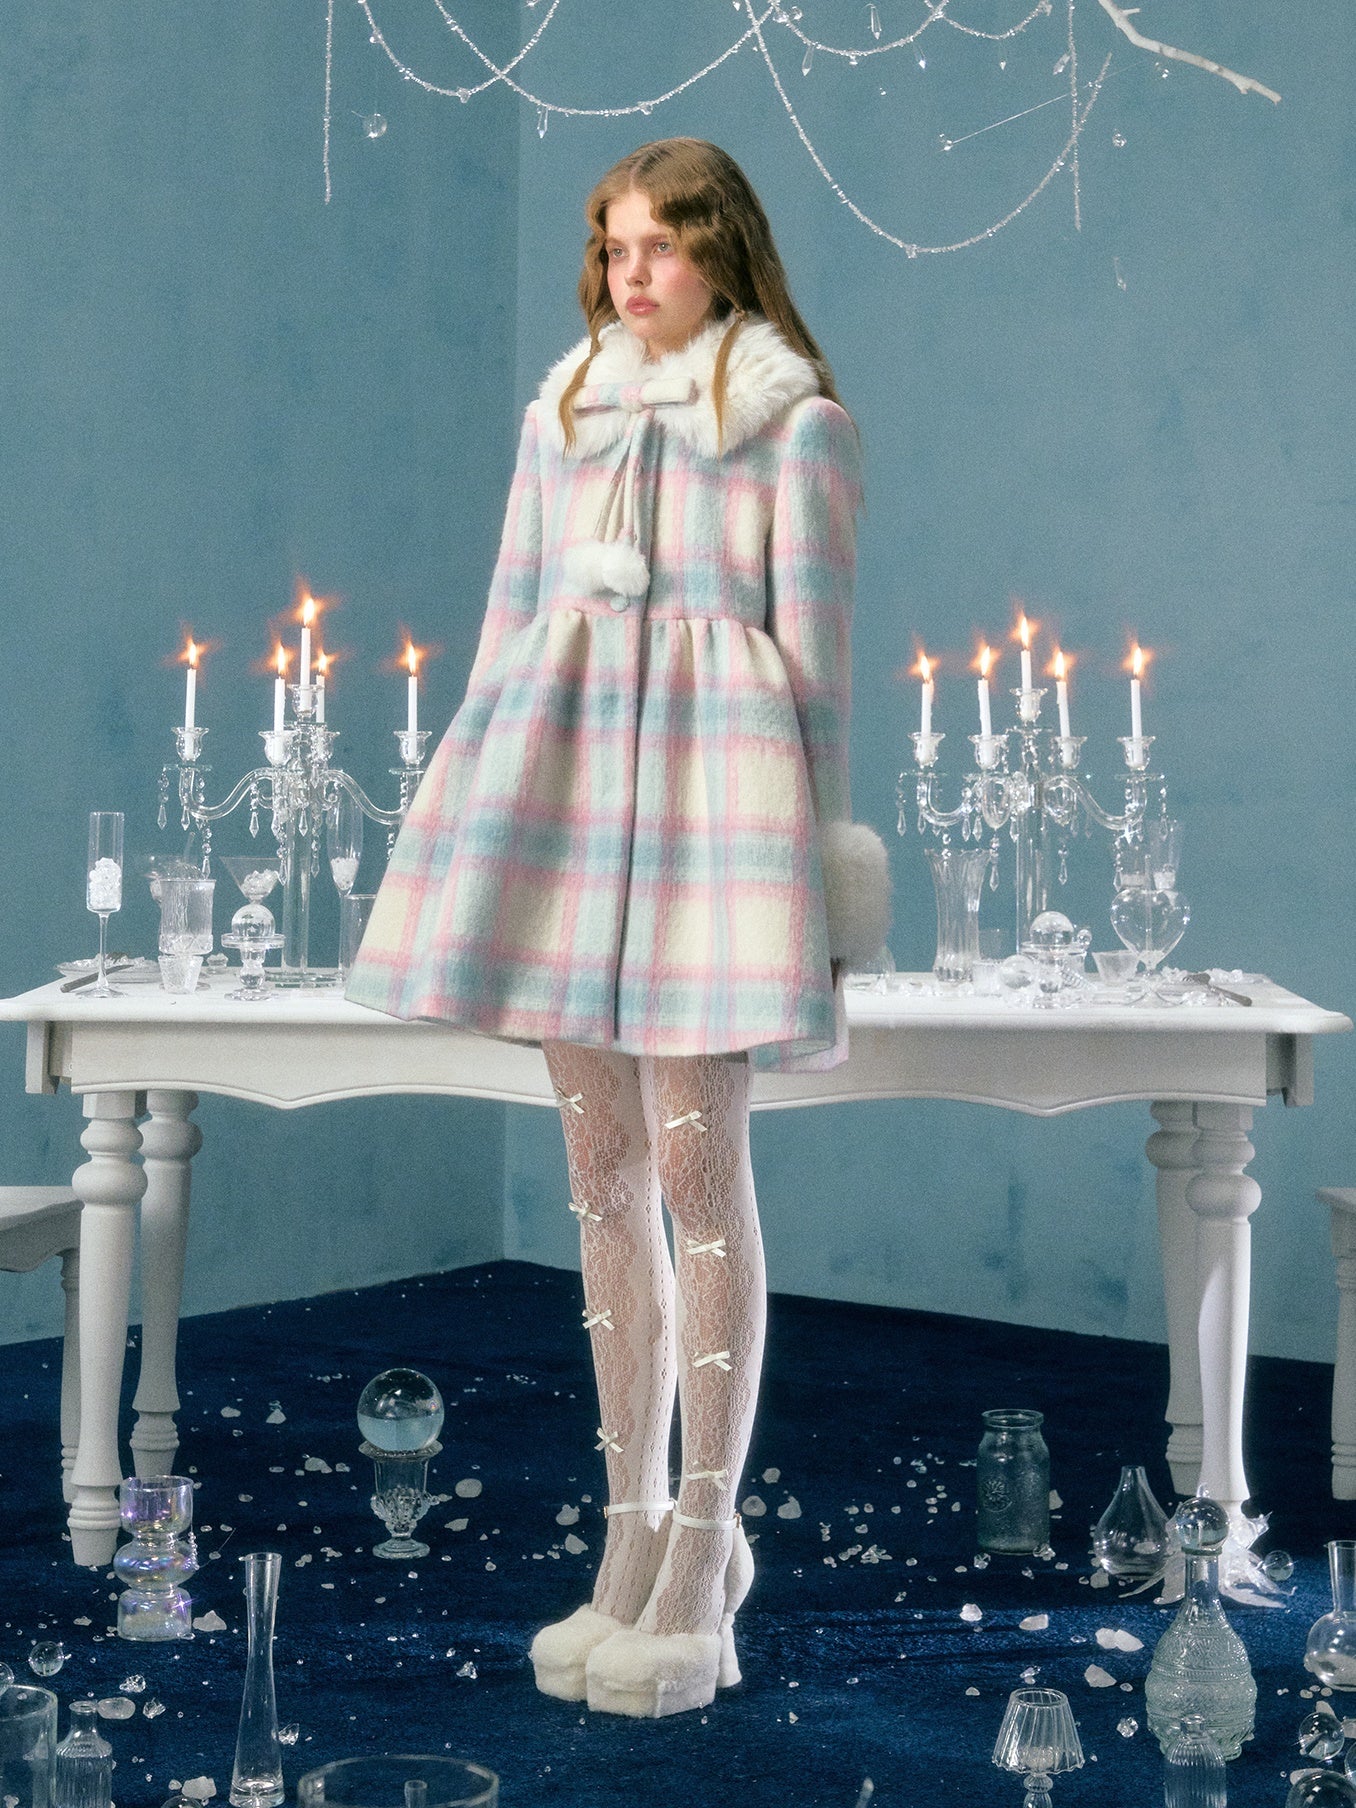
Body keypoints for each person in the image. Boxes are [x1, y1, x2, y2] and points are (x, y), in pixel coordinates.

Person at [346, 138, 890, 1718]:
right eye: (612, 246)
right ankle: (631, 1529)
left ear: (724, 250)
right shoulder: (562, 415)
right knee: (600, 1178)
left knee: (700, 1173)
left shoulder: (796, 426)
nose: (628, 272)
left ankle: (706, 1548)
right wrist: (468, 818)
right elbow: (509, 625)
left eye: (658, 244)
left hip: (718, 816)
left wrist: (816, 875)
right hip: (566, 801)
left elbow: (821, 674)